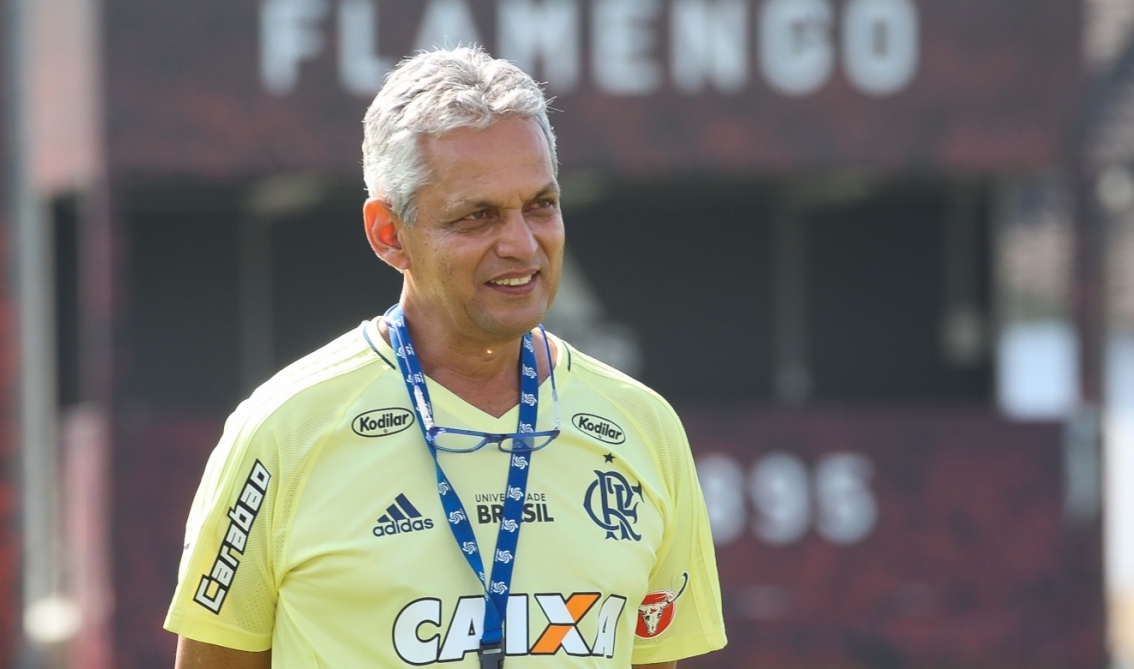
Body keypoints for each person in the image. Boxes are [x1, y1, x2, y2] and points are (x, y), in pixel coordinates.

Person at [165, 46, 726, 669]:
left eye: (540, 205)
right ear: (388, 234)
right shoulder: (283, 430)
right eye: (476, 216)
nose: (520, 244)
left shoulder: (644, 427)